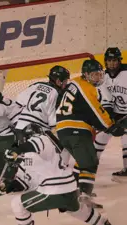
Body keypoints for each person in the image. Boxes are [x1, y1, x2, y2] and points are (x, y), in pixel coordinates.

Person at [0, 123, 112, 225]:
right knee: (76, 211)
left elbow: (34, 143)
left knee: (18, 204)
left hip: (55, 189)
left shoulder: (43, 140)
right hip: (69, 189)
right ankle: (102, 222)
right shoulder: (26, 157)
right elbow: (24, 182)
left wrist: (16, 150)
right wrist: (5, 187)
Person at [55, 59, 118, 207]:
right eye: (94, 75)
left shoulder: (72, 85)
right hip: (76, 130)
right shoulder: (84, 86)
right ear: (86, 75)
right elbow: (95, 111)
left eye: (99, 74)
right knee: (89, 163)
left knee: (82, 161)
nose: (98, 78)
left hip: (64, 131)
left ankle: (75, 190)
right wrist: (110, 126)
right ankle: (84, 197)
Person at [94, 47, 127, 179]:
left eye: (114, 60)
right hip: (113, 114)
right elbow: (104, 99)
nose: (112, 63)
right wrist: (110, 116)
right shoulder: (103, 76)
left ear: (119, 60)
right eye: (109, 60)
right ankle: (89, 167)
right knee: (99, 139)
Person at [15, 65, 70, 131]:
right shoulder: (57, 94)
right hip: (38, 129)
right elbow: (52, 123)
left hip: (20, 125)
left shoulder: (36, 85)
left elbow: (18, 102)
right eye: (65, 81)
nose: (66, 83)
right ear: (58, 81)